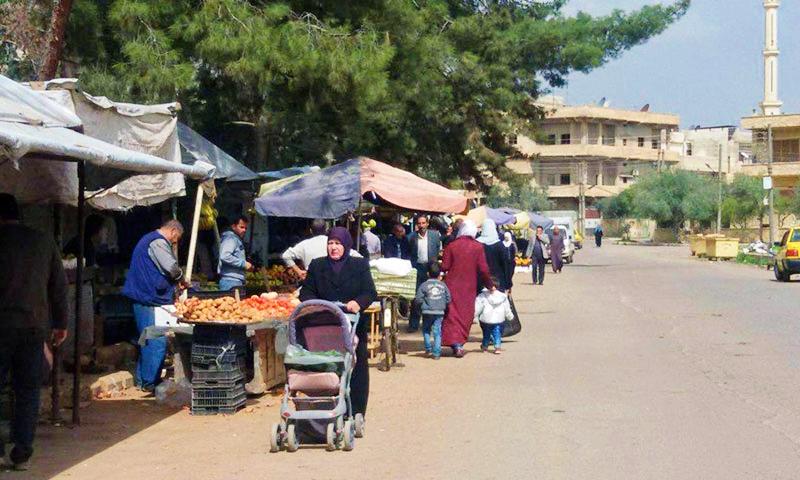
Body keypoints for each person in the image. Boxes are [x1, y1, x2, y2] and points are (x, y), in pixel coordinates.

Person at [0, 194, 68, 470]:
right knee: (27, 389)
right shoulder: (42, 241)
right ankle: (22, 450)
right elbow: (59, 286)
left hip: (2, 327)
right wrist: (61, 324)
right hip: (33, 327)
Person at [299, 227, 377, 418]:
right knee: (326, 367)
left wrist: (358, 303)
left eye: (338, 243)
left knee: (356, 366)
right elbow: (305, 292)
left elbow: (369, 292)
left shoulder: (359, 265)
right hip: (323, 325)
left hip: (352, 327)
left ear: (346, 245)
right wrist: (318, 305)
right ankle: (325, 408)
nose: (334, 248)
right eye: (331, 243)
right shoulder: (317, 265)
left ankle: (356, 411)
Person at [122, 219, 186, 391]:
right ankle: (150, 383)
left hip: (146, 297)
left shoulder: (150, 239)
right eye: (176, 238)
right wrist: (182, 279)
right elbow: (171, 267)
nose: (175, 242)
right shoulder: (157, 242)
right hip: (148, 298)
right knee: (156, 340)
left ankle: (144, 380)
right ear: (173, 231)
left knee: (148, 339)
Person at [441, 220, 494, 358]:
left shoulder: (452, 246)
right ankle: (459, 343)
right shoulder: (478, 247)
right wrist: (490, 285)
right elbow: (483, 269)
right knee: (465, 314)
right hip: (469, 287)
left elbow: (445, 266)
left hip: (451, 285)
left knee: (452, 314)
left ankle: (455, 344)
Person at [282, 219, 360, 280]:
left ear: (310, 231)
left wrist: (299, 272)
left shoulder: (304, 244)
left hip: (311, 284)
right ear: (326, 229)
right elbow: (358, 257)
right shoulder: (334, 244)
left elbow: (286, 255)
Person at [407, 215, 442, 332]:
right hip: (417, 268)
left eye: (423, 223)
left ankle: (430, 324)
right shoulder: (411, 237)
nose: (421, 226)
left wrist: (436, 268)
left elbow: (438, 251)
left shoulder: (435, 236)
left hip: (431, 267)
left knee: (432, 296)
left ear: (427, 224)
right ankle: (413, 324)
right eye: (419, 224)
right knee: (417, 297)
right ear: (417, 225)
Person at [413, 263, 451, 360]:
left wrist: (421, 306)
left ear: (428, 274)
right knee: (437, 332)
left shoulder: (423, 285)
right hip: (439, 312)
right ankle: (437, 353)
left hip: (427, 312)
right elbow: (448, 299)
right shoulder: (443, 285)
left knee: (426, 330)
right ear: (439, 275)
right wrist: (443, 305)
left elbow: (418, 299)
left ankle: (428, 348)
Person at [474, 281, 514, 354]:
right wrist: (509, 316)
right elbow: (506, 308)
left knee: (486, 334)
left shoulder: (482, 296)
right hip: (499, 318)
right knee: (497, 333)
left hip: (486, 319)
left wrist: (474, 316)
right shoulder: (502, 296)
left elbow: (478, 308)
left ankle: (485, 347)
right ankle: (497, 347)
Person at [218, 216, 253, 291]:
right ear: (233, 227)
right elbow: (225, 256)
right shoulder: (230, 239)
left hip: (235, 280)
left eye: (246, 228)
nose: (244, 230)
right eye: (241, 227)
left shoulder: (236, 239)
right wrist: (244, 264)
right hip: (230, 281)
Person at [477, 219, 511, 293]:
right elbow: (506, 265)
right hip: (498, 281)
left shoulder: (477, 244)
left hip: (481, 280)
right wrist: (508, 283)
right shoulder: (500, 245)